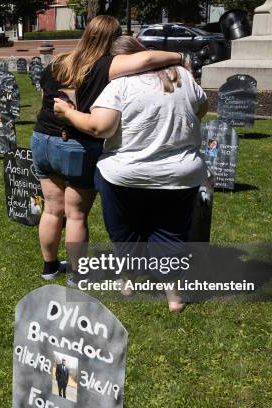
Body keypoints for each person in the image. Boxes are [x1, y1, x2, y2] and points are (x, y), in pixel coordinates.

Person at [54, 36, 209, 312]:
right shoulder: (183, 77)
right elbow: (202, 109)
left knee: (125, 229)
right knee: (171, 230)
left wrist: (68, 112)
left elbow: (100, 127)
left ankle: (128, 279)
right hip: (180, 174)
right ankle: (174, 296)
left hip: (126, 175)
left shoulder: (119, 85)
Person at [32, 15, 185, 282]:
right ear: (113, 39)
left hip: (41, 139)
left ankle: (50, 267)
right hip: (77, 144)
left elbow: (44, 96)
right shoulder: (106, 65)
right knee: (76, 214)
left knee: (52, 209)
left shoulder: (59, 61)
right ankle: (77, 275)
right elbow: (147, 60)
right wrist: (180, 56)